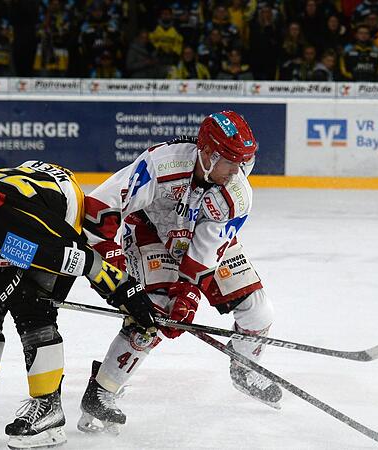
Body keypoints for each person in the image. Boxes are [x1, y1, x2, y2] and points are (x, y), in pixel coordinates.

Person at [0, 161, 157, 448]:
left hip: (60, 204)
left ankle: (49, 409)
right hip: (23, 197)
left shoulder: (19, 228)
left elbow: (84, 260)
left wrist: (127, 294)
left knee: (32, 304)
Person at [77, 111, 279, 435]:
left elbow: (207, 249)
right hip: (149, 233)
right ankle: (103, 390)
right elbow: (100, 207)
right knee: (151, 316)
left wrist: (186, 291)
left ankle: (244, 367)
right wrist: (111, 263)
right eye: (231, 161)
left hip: (198, 240)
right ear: (209, 154)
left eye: (243, 161)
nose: (238, 171)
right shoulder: (161, 164)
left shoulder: (237, 193)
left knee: (258, 311)